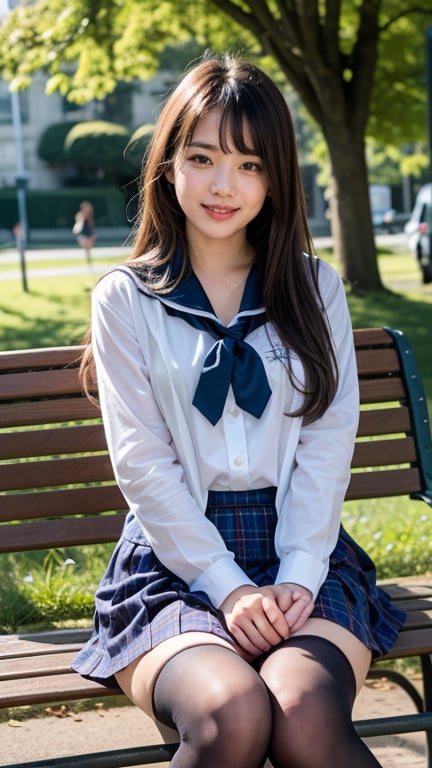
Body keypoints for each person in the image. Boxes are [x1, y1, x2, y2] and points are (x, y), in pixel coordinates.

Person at [72, 55, 405, 768]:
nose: (224, 185)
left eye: (250, 165)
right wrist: (225, 587)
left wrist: (297, 574)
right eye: (203, 158)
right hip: (173, 564)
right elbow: (143, 467)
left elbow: (327, 441)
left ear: (277, 179)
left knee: (302, 710)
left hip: (302, 550)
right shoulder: (126, 300)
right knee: (231, 713)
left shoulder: (316, 290)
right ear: (169, 166)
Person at [73, 200, 96, 265]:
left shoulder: (90, 216)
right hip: (83, 233)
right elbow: (79, 224)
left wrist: (93, 233)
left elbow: (91, 226)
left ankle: (88, 260)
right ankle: (87, 260)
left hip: (88, 233)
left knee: (88, 247)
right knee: (86, 246)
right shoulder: (80, 215)